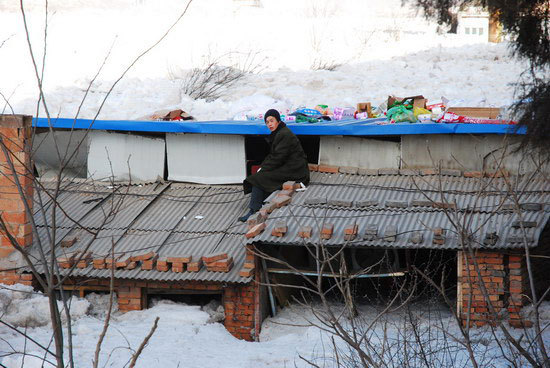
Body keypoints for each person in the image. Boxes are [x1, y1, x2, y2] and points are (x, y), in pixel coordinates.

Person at [239, 109, 310, 222]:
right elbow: (274, 155)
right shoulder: (279, 133)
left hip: (296, 171)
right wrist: (263, 167)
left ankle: (253, 210)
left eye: (272, 121)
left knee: (259, 178)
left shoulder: (284, 134)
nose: (269, 124)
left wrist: (263, 169)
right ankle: (260, 204)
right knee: (263, 176)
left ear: (278, 120)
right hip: (289, 166)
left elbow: (278, 157)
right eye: (267, 122)